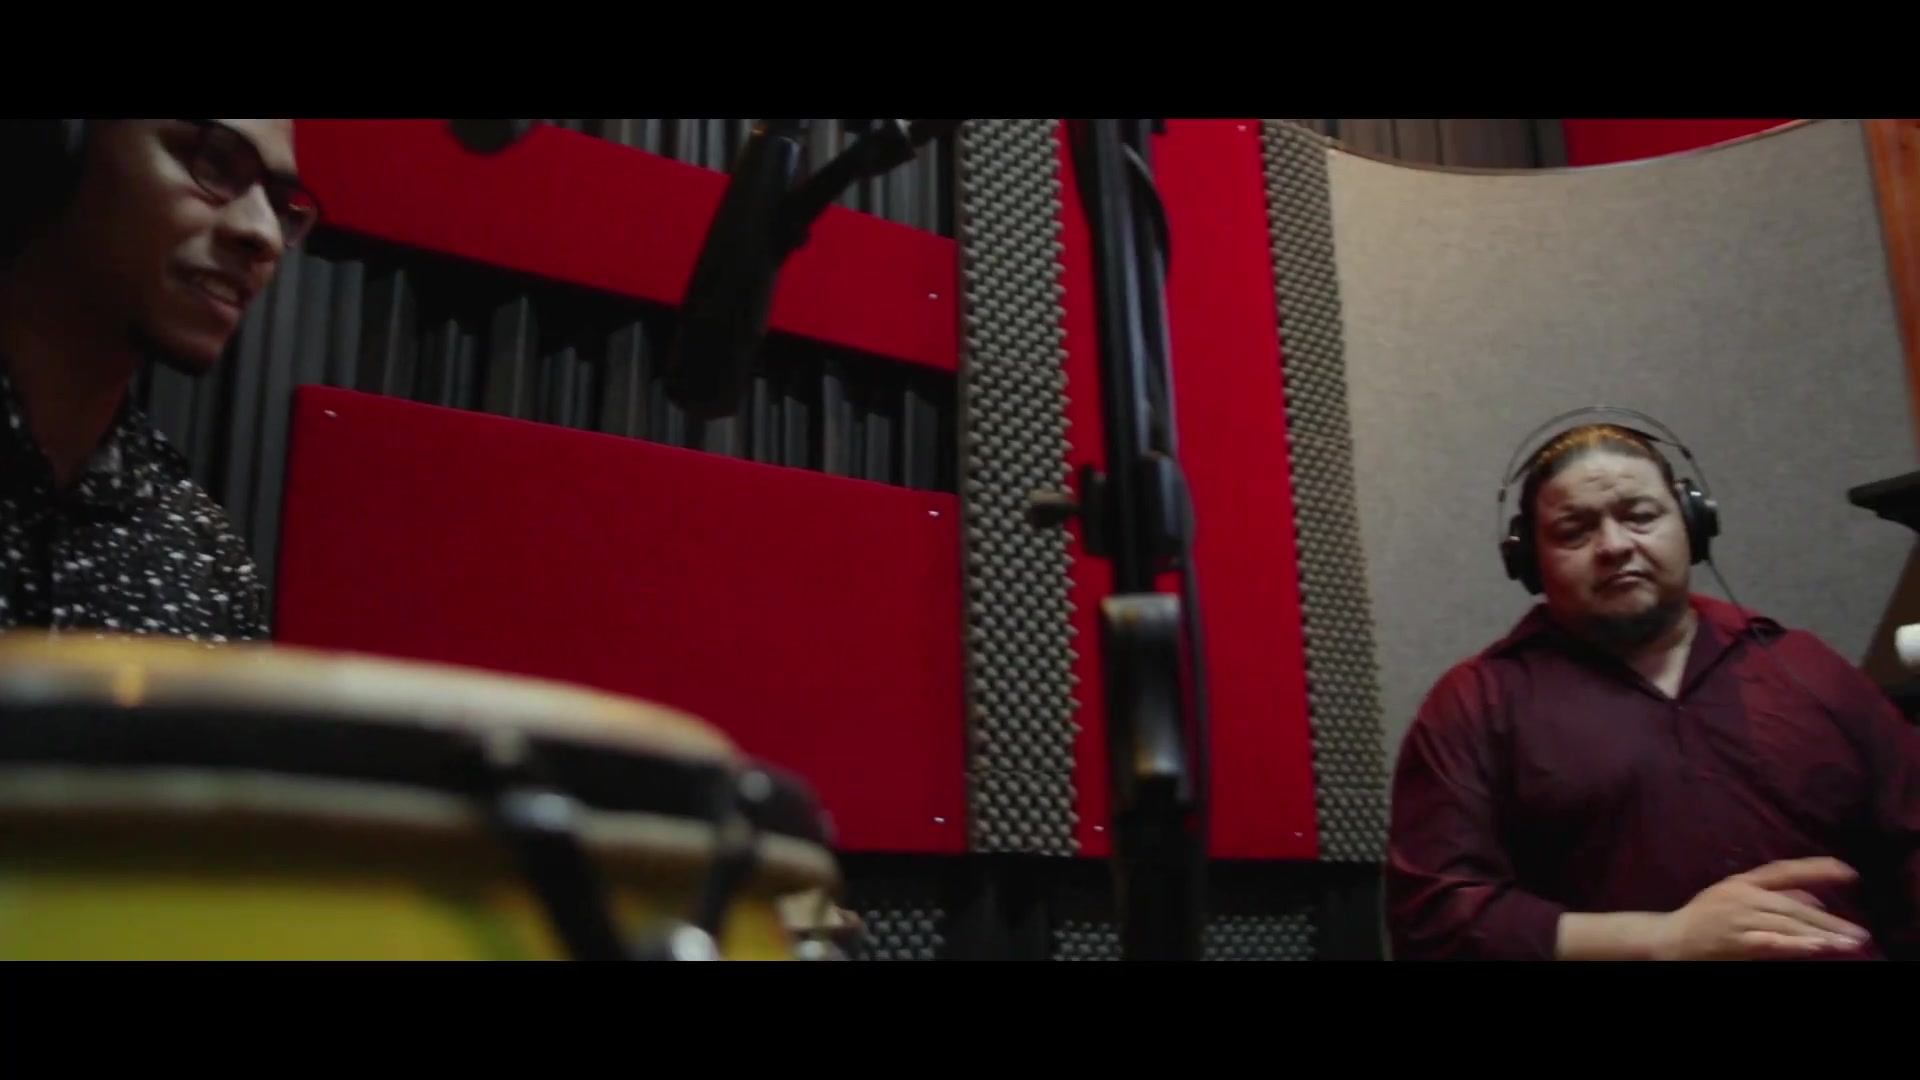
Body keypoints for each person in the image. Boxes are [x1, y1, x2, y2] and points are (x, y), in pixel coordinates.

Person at [1385, 419, 1920, 960]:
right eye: (1574, 530)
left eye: (1640, 516)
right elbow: (1435, 920)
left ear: (1692, 522)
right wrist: (1666, 938)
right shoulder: (1476, 704)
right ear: (1530, 562)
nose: (1614, 545)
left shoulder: (1805, 667)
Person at [0, 119, 318, 642]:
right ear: (65, 139)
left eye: (281, 202)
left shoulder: (207, 562)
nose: (264, 234)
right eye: (213, 162)